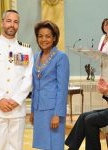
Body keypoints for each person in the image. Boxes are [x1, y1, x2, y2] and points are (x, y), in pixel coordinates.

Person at [0, 9, 33, 150]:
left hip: (17, 106)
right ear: (2, 23)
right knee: (0, 146)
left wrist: (16, 100)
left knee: (17, 146)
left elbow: (28, 77)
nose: (12, 25)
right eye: (9, 21)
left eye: (16, 22)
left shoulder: (25, 50)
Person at [65, 18, 108, 150]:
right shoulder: (102, 38)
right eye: (105, 24)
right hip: (105, 70)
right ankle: (72, 148)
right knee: (84, 116)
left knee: (89, 120)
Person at [29, 20, 70, 150]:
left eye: (47, 36)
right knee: (43, 145)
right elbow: (35, 86)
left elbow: (62, 88)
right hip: (39, 109)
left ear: (54, 38)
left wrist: (57, 114)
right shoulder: (36, 56)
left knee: (55, 145)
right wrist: (32, 111)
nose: (43, 39)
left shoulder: (61, 57)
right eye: (40, 36)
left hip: (53, 110)